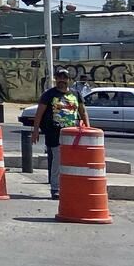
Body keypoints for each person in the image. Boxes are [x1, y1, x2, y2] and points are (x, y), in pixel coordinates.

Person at [30, 68, 90, 200]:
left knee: (72, 161)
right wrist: (35, 131)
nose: (61, 80)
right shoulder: (49, 94)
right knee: (58, 159)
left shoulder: (76, 94)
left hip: (73, 134)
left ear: (69, 80)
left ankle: (69, 186)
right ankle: (55, 188)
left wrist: (88, 128)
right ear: (56, 79)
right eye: (59, 77)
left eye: (64, 78)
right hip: (54, 132)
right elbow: (39, 114)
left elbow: (83, 111)